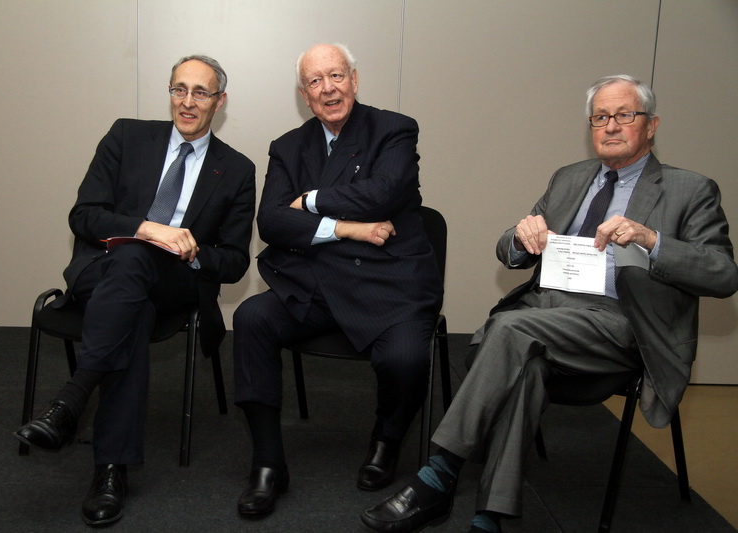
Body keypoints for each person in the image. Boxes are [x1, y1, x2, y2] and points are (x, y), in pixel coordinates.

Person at [361, 74, 738, 533]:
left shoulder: (691, 189)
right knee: (526, 367)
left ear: (652, 124)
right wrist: (521, 237)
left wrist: (651, 239)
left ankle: (439, 473)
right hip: (546, 314)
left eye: (624, 115)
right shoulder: (570, 178)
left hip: (620, 323)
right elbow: (508, 249)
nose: (611, 126)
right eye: (600, 117)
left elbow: (723, 273)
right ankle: (490, 514)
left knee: (510, 330)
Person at [14, 54, 256, 526]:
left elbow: (235, 261)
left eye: (200, 93)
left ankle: (73, 401)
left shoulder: (238, 169)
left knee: (138, 270)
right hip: (101, 272)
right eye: (178, 89)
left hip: (175, 283)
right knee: (133, 282)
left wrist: (188, 249)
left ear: (220, 102)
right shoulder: (126, 135)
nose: (187, 103)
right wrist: (148, 229)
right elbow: (83, 215)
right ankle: (109, 467)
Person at [232, 43, 443, 516]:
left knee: (407, 359)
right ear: (304, 94)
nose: (328, 89)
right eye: (315, 81)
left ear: (355, 78)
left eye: (336, 76)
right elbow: (269, 223)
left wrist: (308, 202)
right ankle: (268, 463)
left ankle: (387, 440)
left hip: (391, 283)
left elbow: (384, 194)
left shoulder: (393, 129)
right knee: (251, 319)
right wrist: (348, 228)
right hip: (317, 283)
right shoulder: (289, 146)